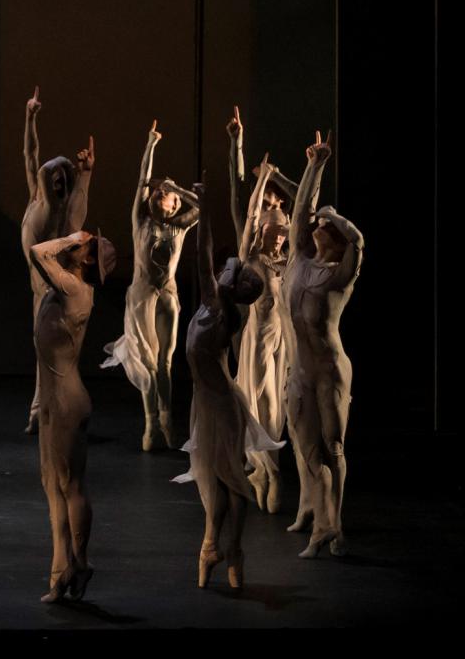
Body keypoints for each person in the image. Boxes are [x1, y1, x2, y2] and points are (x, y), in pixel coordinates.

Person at [176, 144, 270, 590]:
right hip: (207, 403)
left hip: (220, 407)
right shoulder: (213, 307)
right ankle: (214, 546)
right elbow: (208, 255)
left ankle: (232, 551)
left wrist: (204, 204)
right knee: (214, 483)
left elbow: (204, 251)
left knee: (233, 483)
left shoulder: (219, 311)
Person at [282, 132, 361, 557]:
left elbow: (359, 243)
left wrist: (337, 217)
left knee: (334, 448)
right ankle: (323, 524)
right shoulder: (300, 260)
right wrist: (316, 165)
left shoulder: (339, 275)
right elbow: (300, 213)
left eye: (325, 227)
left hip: (330, 370)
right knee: (309, 451)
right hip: (301, 371)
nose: (318, 226)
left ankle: (335, 526)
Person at [27, 227, 115, 602]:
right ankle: (59, 570)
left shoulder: (74, 289)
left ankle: (80, 561)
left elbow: (37, 252)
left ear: (88, 259)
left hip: (67, 401)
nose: (76, 242)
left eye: (83, 245)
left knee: (70, 485)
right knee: (52, 486)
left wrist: (71, 238)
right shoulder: (61, 286)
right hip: (52, 401)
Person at [103, 121, 202, 450]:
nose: (161, 193)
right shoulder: (141, 221)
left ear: (174, 205)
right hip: (141, 296)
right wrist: (151, 145)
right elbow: (141, 183)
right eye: (158, 191)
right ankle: (150, 424)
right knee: (146, 361)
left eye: (166, 194)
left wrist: (178, 188)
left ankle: (166, 419)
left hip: (167, 296)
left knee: (165, 362)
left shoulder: (179, 226)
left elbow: (201, 206)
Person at [228, 109, 295, 511]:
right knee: (256, 402)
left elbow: (305, 203)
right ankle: (266, 470)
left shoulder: (288, 262)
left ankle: (267, 468)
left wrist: (281, 175)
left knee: (275, 408)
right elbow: (243, 202)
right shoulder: (251, 257)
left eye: (284, 227)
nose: (281, 233)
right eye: (274, 227)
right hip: (255, 339)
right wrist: (237, 145)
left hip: (282, 343)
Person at [18, 88, 93, 431]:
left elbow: (73, 193)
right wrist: (30, 117)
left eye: (63, 180)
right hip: (41, 294)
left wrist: (84, 174)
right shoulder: (37, 200)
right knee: (43, 355)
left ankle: (49, 412)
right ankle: (40, 411)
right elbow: (31, 154)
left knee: (54, 357)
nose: (57, 183)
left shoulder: (57, 213)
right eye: (55, 179)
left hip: (55, 296)